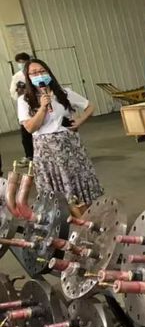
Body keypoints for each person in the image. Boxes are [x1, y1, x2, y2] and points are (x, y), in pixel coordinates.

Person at [18, 59, 102, 211]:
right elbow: (30, 128)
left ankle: (86, 215)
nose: (39, 75)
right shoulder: (24, 100)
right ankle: (65, 218)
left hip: (70, 147)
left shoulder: (64, 93)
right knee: (56, 187)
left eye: (42, 71)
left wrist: (80, 120)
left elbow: (90, 106)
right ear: (28, 77)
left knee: (79, 182)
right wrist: (42, 108)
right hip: (46, 151)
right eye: (34, 73)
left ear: (48, 72)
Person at [9, 52, 33, 162]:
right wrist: (19, 91)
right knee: (26, 134)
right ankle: (29, 156)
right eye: (19, 62)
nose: (22, 64)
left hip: (38, 105)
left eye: (23, 62)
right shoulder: (17, 77)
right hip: (25, 107)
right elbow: (13, 93)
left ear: (28, 61)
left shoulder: (34, 72)